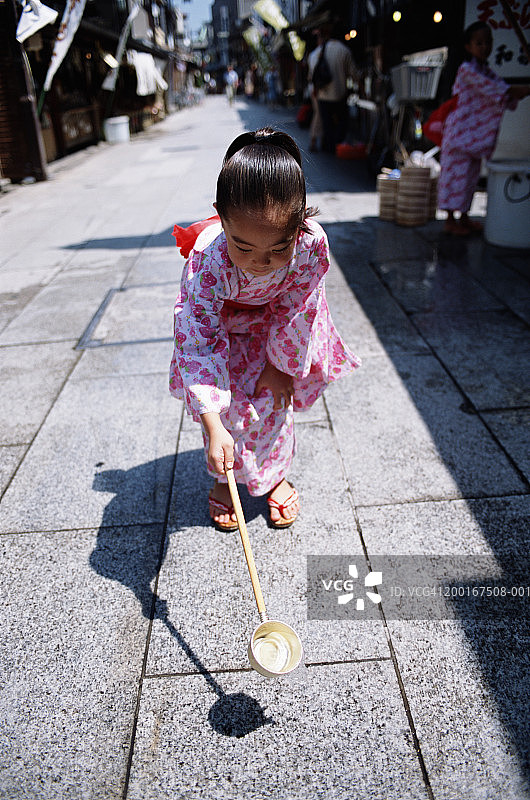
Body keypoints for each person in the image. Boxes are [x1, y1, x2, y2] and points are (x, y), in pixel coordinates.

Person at [169, 128, 360, 531]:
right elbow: (198, 339)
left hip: (277, 324)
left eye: (278, 248)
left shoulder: (311, 246)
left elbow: (300, 307)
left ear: (301, 222)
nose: (260, 262)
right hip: (222, 329)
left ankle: (273, 476)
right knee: (229, 406)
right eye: (243, 247)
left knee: (273, 402)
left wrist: (281, 365)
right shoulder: (207, 259)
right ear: (220, 216)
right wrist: (212, 420)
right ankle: (226, 481)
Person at [438, 21, 530, 236]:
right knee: (455, 178)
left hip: (473, 137)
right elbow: (501, 90)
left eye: (487, 42)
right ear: (468, 46)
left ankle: (463, 217)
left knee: (470, 178)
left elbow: (503, 91)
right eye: (479, 43)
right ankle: (450, 219)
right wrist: (520, 90)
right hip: (459, 134)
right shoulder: (467, 70)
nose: (484, 47)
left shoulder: (485, 70)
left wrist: (520, 90)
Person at [307, 24, 356, 153]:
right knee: (341, 122)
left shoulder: (315, 54)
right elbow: (353, 73)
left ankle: (329, 146)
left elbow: (311, 77)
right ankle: (338, 145)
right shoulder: (344, 50)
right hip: (339, 93)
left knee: (327, 123)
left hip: (323, 95)